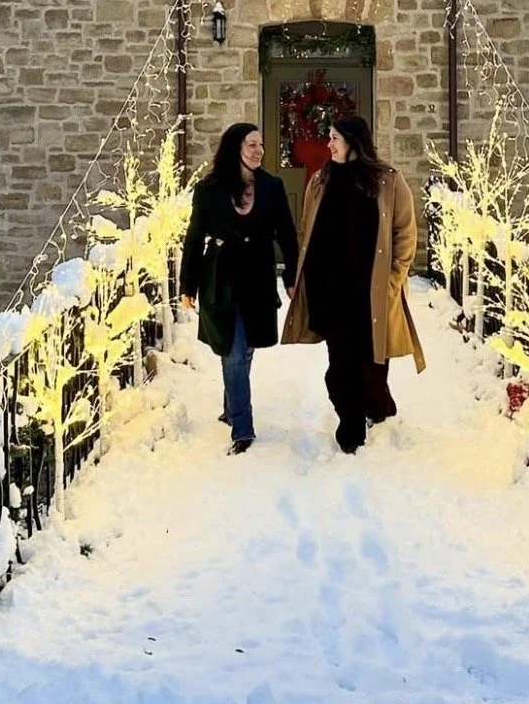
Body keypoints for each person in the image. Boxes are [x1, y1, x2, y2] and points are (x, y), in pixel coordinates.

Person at [281, 115, 425, 453]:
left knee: (373, 364)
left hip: (371, 294)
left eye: (334, 138)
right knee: (339, 366)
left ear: (354, 142)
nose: (328, 144)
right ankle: (350, 425)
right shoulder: (320, 180)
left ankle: (377, 409)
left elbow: (405, 234)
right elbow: (308, 230)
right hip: (329, 292)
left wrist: (392, 281)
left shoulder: (388, 181)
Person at [179, 122, 298, 455]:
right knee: (232, 348)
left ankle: (231, 407)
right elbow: (193, 238)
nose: (259, 150)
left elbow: (287, 236)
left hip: (258, 279)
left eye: (261, 144)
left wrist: (291, 277)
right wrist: (187, 284)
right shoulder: (209, 189)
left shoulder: (272, 187)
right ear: (235, 148)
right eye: (251, 145)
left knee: (244, 349)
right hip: (220, 279)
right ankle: (242, 430)